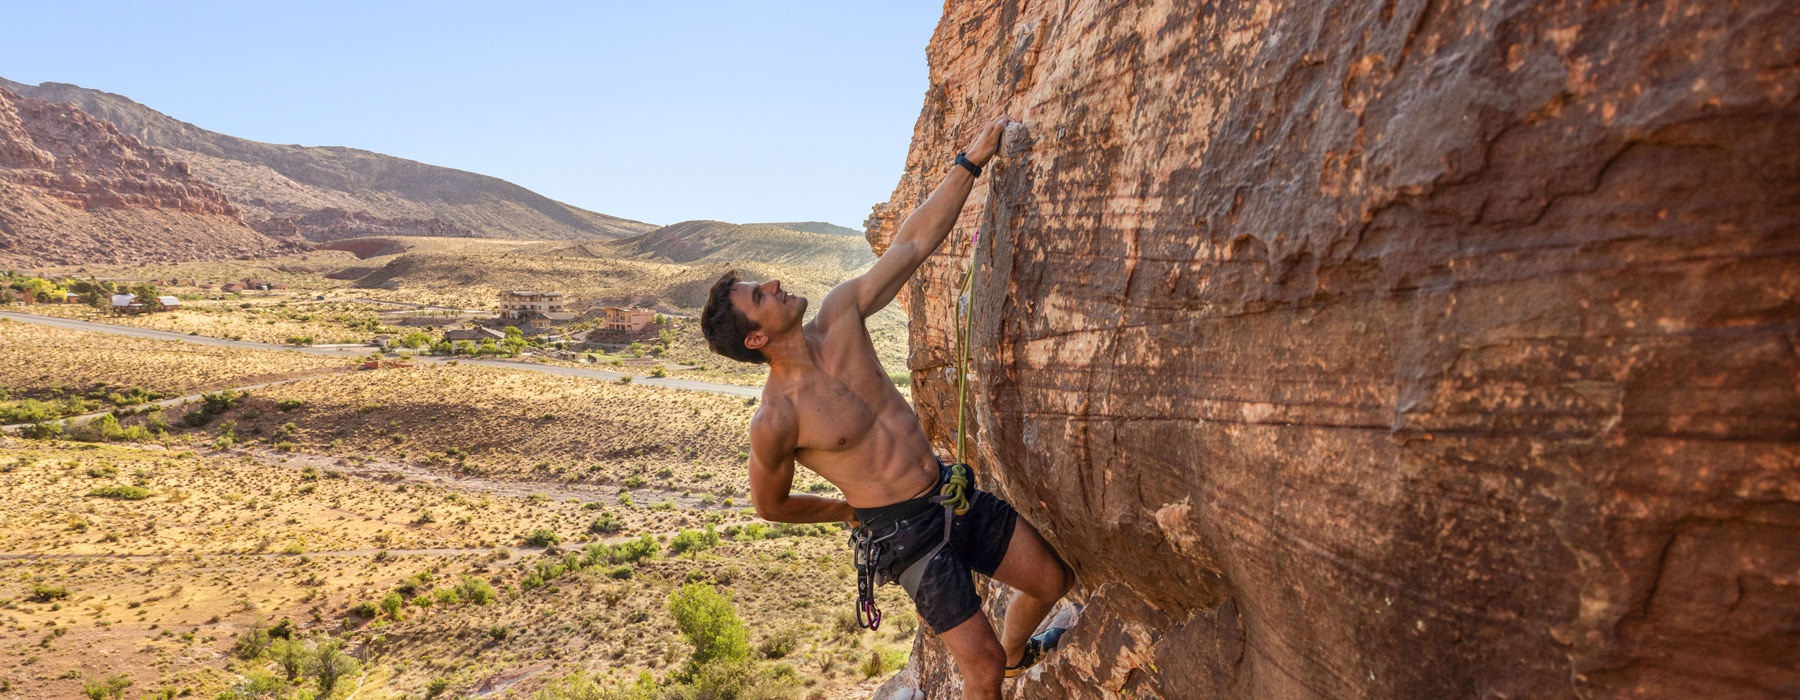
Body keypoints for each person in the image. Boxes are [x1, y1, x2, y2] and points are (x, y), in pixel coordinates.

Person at [700, 116, 1073, 698]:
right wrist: (847, 514)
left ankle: (1020, 652)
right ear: (755, 337)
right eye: (759, 295)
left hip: (949, 491)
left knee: (1052, 579)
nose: (773, 283)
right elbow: (769, 505)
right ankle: (1004, 662)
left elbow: (913, 243)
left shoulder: (841, 312)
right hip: (905, 535)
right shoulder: (777, 418)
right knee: (979, 667)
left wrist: (969, 162)